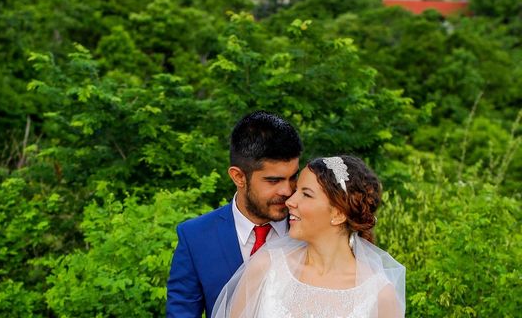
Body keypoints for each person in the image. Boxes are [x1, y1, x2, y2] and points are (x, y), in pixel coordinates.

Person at [212, 155, 406, 318]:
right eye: (296, 191)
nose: (290, 201)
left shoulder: (379, 295)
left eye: (306, 194)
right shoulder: (267, 267)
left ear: (338, 214)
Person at [166, 111, 303, 318]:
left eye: (293, 177)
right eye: (273, 181)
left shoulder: (312, 229)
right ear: (238, 177)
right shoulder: (195, 237)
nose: (287, 190)